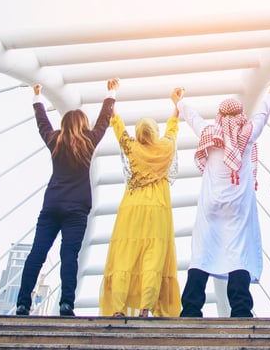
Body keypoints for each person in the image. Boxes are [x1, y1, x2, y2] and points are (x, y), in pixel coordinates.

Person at [15, 79, 117, 317]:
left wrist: (37, 98)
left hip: (52, 205)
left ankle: (22, 303)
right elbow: (104, 120)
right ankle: (66, 304)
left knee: (37, 254)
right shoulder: (89, 141)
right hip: (77, 209)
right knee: (69, 256)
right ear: (82, 124)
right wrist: (111, 93)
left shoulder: (55, 141)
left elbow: (42, 124)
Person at [174, 85, 270, 318]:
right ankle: (240, 309)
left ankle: (190, 308)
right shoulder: (247, 134)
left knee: (201, 252)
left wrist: (179, 103)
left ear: (219, 117)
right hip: (238, 206)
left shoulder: (210, 132)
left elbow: (193, 118)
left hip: (211, 205)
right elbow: (262, 115)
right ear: (240, 116)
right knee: (237, 254)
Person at [99, 85, 180, 318]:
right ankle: (146, 308)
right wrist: (176, 107)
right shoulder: (166, 147)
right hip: (158, 210)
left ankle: (118, 308)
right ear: (154, 132)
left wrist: (111, 95)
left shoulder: (132, 147)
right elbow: (173, 129)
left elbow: (117, 126)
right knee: (153, 258)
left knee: (125, 256)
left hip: (132, 209)